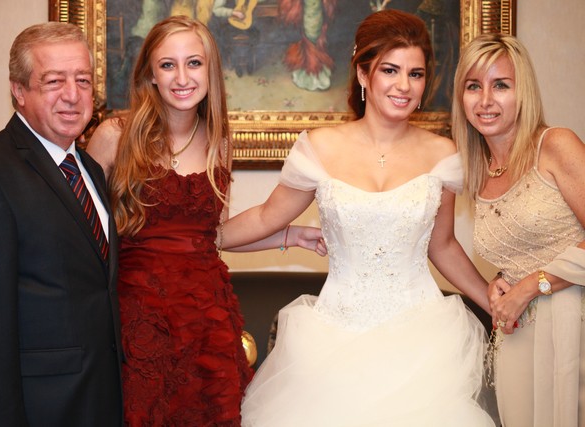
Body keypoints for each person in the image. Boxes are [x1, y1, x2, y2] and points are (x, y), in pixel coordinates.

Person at [218, 9, 496, 426]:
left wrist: (493, 301)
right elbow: (265, 217)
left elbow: (442, 245)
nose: (404, 86)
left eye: (416, 74)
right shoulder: (319, 148)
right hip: (333, 337)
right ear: (363, 74)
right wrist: (201, 237)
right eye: (390, 70)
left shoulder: (444, 155)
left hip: (421, 341)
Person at [86, 15, 323, 426]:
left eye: (193, 63)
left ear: (210, 70)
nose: (182, 77)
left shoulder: (220, 142)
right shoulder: (114, 136)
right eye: (168, 65)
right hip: (135, 319)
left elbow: (212, 236)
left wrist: (291, 235)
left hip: (205, 320)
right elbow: (80, 233)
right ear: (151, 74)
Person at [0, 22, 123, 426]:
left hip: (101, 400)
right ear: (19, 91)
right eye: (54, 81)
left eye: (82, 80)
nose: (72, 95)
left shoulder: (90, 169)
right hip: (38, 409)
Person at [452, 33, 585, 427]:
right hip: (516, 333)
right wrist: (498, 285)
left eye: (501, 85)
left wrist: (531, 285)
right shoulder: (476, 171)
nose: (485, 100)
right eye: (473, 86)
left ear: (522, 91)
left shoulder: (555, 145)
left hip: (574, 321)